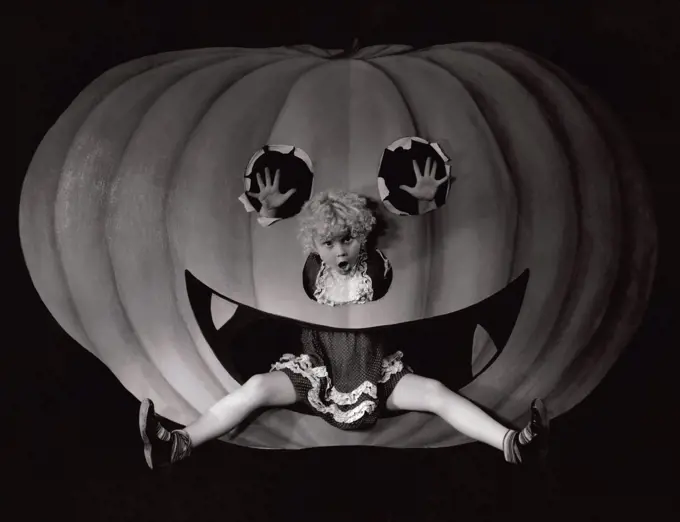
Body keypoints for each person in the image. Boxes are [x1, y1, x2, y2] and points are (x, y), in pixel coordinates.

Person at [139, 161, 549, 470]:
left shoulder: (377, 269)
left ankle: (512, 443)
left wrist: (425, 206)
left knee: (436, 393)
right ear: (315, 245)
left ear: (363, 235)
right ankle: (179, 443)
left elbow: (421, 254)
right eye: (329, 243)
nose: (339, 251)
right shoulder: (311, 270)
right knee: (256, 389)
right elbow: (260, 259)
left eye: (348, 240)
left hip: (375, 369)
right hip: (316, 366)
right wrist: (265, 215)